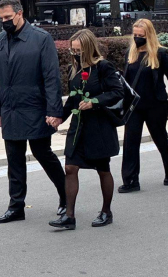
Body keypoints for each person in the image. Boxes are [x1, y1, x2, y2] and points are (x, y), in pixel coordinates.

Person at [0, 0, 68, 223]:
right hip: (11, 109)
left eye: (7, 17)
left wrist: (55, 111)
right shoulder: (0, 40)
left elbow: (52, 78)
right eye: (1, 18)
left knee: (43, 154)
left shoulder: (41, 39)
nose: (4, 21)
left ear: (20, 13)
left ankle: (66, 197)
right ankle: (16, 207)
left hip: (35, 108)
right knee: (14, 160)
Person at [50, 30, 124, 230]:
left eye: (78, 50)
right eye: (72, 50)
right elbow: (73, 100)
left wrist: (94, 102)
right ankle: (69, 216)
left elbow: (117, 92)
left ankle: (106, 211)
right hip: (78, 125)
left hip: (99, 126)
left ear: (89, 48)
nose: (74, 54)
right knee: (70, 167)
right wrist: (59, 118)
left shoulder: (103, 67)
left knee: (102, 169)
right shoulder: (73, 68)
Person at [118, 19, 168, 193]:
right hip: (134, 106)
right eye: (135, 35)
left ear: (149, 35)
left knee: (160, 139)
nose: (137, 38)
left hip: (155, 105)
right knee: (130, 142)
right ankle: (130, 180)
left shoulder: (160, 54)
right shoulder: (130, 54)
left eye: (141, 35)